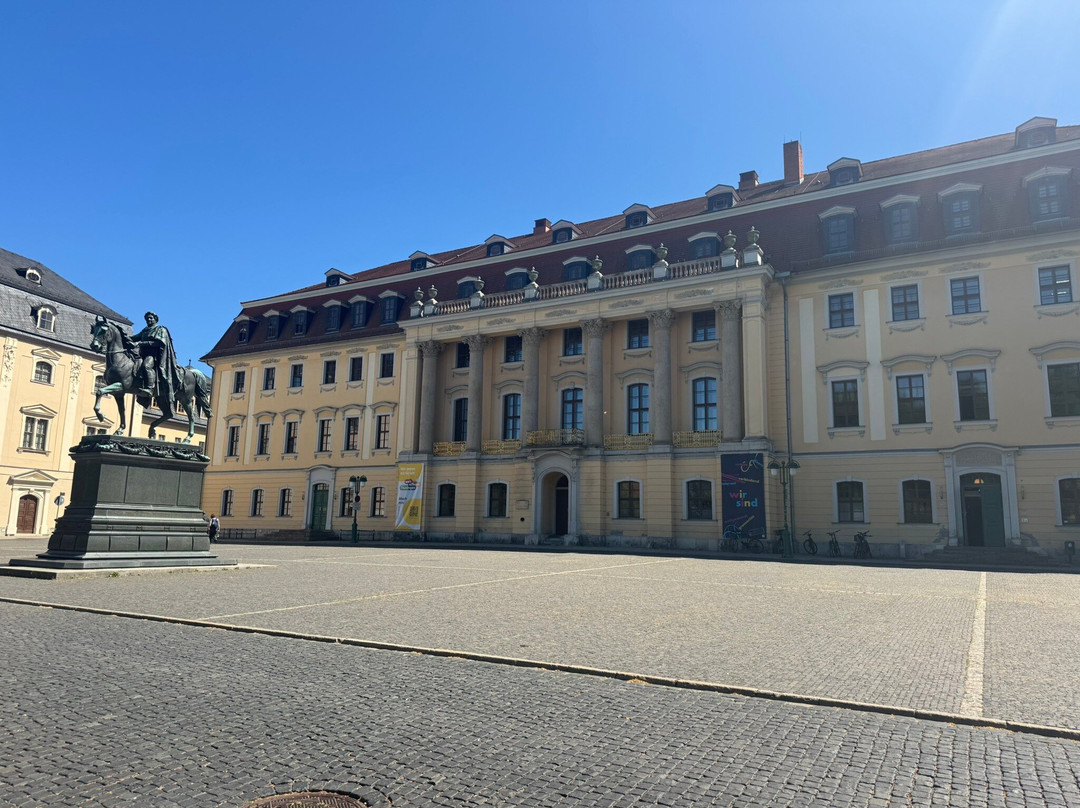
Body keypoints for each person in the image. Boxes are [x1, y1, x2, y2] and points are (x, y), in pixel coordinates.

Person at [130, 311, 183, 406]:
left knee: (146, 366)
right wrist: (124, 337)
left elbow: (160, 343)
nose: (149, 320)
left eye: (151, 318)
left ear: (155, 319)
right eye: (147, 319)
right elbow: (135, 338)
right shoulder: (145, 330)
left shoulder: (160, 329)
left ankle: (150, 388)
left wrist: (143, 343)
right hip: (142, 354)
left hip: (154, 356)